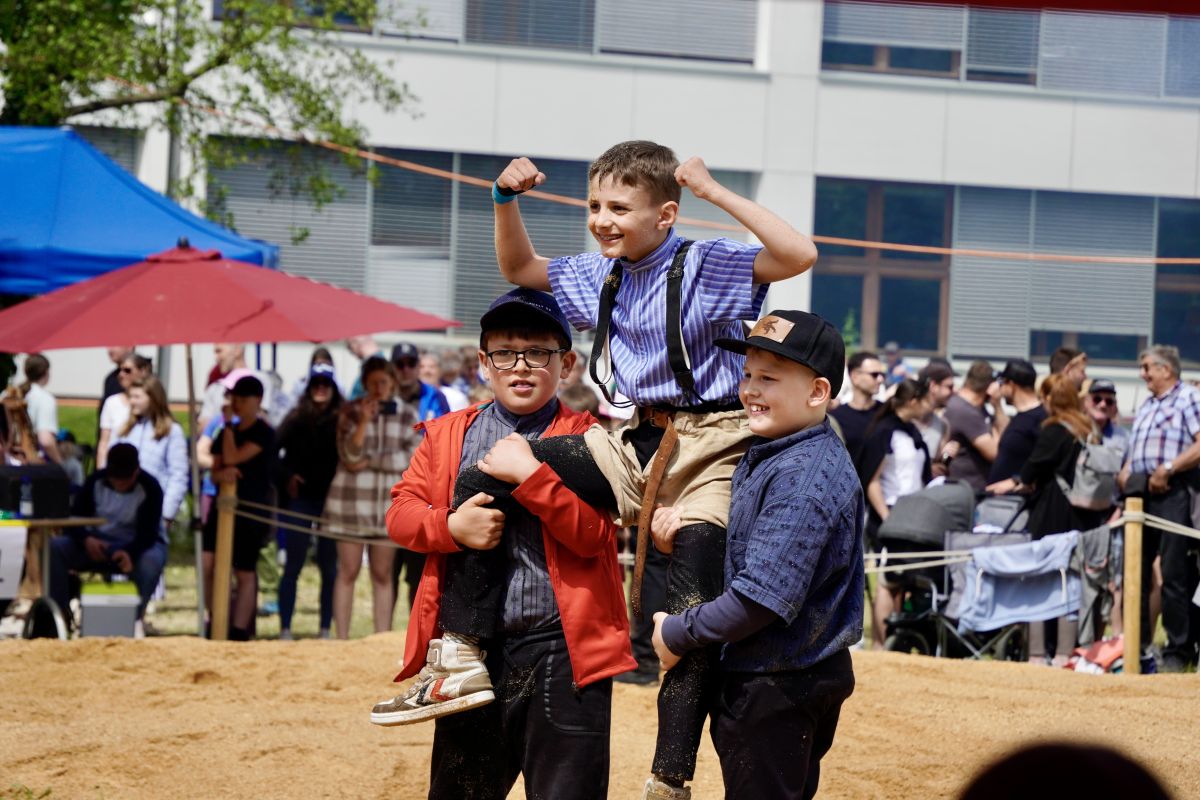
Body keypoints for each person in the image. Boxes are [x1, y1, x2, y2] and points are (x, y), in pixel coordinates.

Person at [489, 140, 817, 799]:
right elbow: (520, 267)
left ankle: (669, 777)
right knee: (495, 469)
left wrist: (712, 191)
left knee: (689, 604)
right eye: (594, 206)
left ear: (665, 214)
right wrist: (502, 200)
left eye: (618, 208)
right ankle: (461, 649)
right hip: (635, 438)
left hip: (716, 442)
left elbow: (798, 254)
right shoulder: (599, 272)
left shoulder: (705, 262)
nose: (601, 220)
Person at [371, 289, 635, 800]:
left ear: (566, 365)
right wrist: (452, 527)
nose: (521, 366)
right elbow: (400, 515)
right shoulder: (447, 435)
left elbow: (595, 537)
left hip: (562, 650)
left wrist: (533, 479)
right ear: (483, 363)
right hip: (471, 656)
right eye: (505, 353)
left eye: (538, 352)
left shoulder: (589, 439)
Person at [650, 310, 862, 800]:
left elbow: (760, 598)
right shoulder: (780, 449)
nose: (750, 390)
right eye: (747, 375)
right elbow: (755, 555)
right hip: (785, 675)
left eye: (769, 378)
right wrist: (678, 544)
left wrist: (676, 633)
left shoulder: (802, 478)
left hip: (778, 682)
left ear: (817, 391)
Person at [992, 373, 1108, 664]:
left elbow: (1032, 469)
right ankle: (1068, 651)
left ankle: (1041, 653)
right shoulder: (1089, 428)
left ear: (1049, 399)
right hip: (1085, 513)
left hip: (1054, 512)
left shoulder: (1054, 429)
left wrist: (1016, 480)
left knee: (1043, 579)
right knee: (1073, 580)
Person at [1120, 345, 1200, 673]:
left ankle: (1179, 649)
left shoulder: (1188, 398)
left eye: (1147, 367)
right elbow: (1136, 448)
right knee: (1135, 573)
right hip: (1139, 492)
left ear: (1166, 369)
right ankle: (1137, 647)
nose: (1143, 374)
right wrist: (1126, 471)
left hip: (1172, 490)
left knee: (1173, 572)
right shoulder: (1147, 405)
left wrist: (1169, 468)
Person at [326, 356, 419, 638]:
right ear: (364, 384)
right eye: (372, 383)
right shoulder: (351, 411)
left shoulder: (408, 414)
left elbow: (412, 457)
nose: (378, 388)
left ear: (392, 381)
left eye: (383, 382)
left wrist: (372, 460)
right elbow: (349, 456)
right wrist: (364, 421)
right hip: (351, 503)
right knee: (347, 571)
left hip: (386, 506)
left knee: (382, 573)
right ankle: (341, 638)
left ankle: (381, 638)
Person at [48, 442, 166, 623]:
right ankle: (58, 614)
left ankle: (132, 619)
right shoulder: (94, 482)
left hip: (135, 544)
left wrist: (130, 552)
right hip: (96, 543)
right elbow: (74, 520)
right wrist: (86, 539)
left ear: (136, 472)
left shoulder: (151, 488)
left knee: (151, 561)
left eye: (124, 479)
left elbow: (148, 533)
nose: (119, 483)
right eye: (115, 478)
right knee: (55, 547)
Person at [859, 378, 933, 648]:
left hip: (914, 515)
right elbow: (872, 481)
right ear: (914, 401)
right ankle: (882, 644)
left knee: (904, 580)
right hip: (889, 514)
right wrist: (888, 518)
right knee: (888, 580)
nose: (930, 406)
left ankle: (896, 641)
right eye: (926, 400)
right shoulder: (885, 431)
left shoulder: (912, 431)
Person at [203, 375, 275, 641]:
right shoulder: (225, 432)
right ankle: (215, 619)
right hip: (222, 508)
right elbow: (216, 470)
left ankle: (239, 629)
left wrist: (228, 426)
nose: (237, 403)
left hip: (251, 511)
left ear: (257, 401)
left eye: (243, 399)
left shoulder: (264, 432)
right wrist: (221, 474)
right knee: (209, 563)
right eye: (234, 398)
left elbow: (233, 457)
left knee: (244, 570)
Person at [275, 362, 343, 640]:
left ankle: (325, 629)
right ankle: (285, 628)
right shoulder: (296, 417)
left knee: (329, 569)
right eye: (316, 383)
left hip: (331, 501)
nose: (320, 389)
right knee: (293, 565)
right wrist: (287, 476)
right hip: (301, 500)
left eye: (325, 384)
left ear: (333, 388)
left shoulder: (342, 420)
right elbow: (272, 451)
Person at [390, 341, 451, 614]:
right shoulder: (384, 395)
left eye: (410, 363)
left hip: (422, 493)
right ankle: (384, 631)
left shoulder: (435, 397)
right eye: (400, 364)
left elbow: (445, 438)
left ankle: (411, 631)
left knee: (419, 575)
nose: (405, 369)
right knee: (386, 572)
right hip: (386, 491)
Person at [112, 376, 189, 533]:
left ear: (153, 398)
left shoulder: (171, 431)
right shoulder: (126, 428)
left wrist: (166, 514)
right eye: (130, 396)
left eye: (137, 397)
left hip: (153, 508)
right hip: (122, 508)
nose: (132, 401)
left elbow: (178, 475)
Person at [943, 360, 1010, 492]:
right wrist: (997, 405)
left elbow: (1008, 436)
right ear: (989, 387)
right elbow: (996, 453)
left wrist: (997, 407)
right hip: (967, 491)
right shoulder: (964, 412)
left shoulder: (977, 408)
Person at [986, 359, 1044, 487]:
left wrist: (1016, 481)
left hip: (1016, 497)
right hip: (998, 496)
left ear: (1011, 385)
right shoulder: (1021, 417)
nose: (1000, 388)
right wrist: (996, 406)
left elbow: (1044, 462)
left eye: (1002, 383)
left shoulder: (1040, 418)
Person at [830, 350, 885, 473]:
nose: (880, 379)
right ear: (855, 376)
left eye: (882, 374)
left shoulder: (887, 413)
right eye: (874, 374)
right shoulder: (837, 418)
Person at [97, 353, 153, 469]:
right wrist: (101, 470)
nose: (121, 375)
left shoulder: (152, 403)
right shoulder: (111, 402)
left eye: (127, 370)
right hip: (116, 469)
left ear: (143, 371)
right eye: (120, 370)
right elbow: (104, 442)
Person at [915, 358, 956, 475]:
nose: (953, 392)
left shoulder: (943, 424)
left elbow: (938, 467)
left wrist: (944, 456)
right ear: (933, 386)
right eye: (949, 387)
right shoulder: (906, 417)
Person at [19, 354, 62, 464]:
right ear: (46, 372)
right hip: (31, 463)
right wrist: (60, 464)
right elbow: (46, 440)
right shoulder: (45, 399)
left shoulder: (6, 395)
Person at [1086, 378, 1130, 454]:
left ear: (1114, 406)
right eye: (1097, 399)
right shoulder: (1074, 432)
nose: (1103, 405)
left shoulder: (1125, 438)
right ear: (1086, 401)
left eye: (1109, 401)